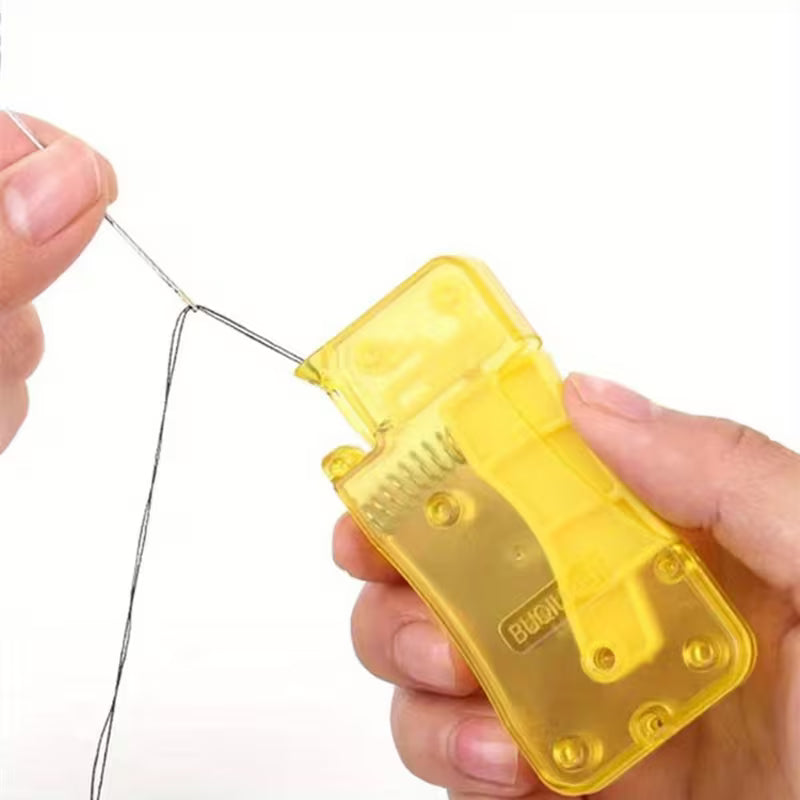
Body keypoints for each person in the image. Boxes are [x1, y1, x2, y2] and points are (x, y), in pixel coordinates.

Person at [1, 115, 798, 799]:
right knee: (435, 637)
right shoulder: (407, 470)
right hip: (668, 698)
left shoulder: (482, 418)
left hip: (694, 670)